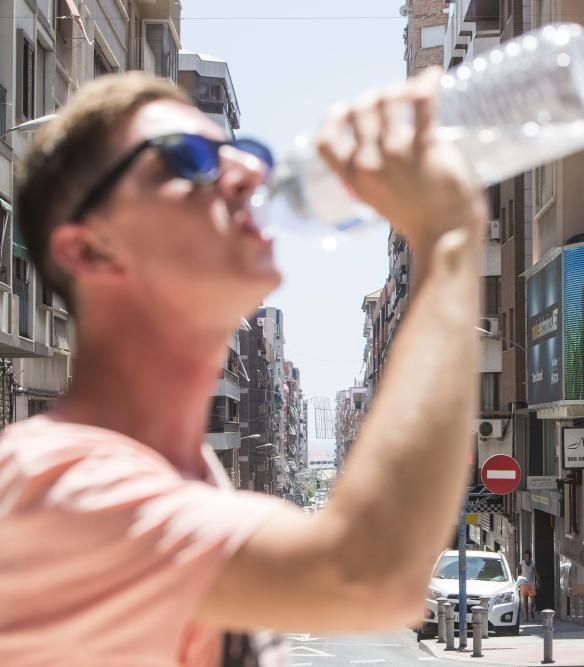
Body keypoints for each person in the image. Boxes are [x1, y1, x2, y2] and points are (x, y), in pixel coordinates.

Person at [0, 70, 486, 665]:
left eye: (245, 153)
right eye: (186, 158)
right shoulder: (55, 484)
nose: (249, 173)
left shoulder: (192, 479)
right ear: (90, 248)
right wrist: (449, 241)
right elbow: (369, 575)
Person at [517, 550, 539, 621]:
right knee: (525, 602)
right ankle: (527, 617)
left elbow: (536, 573)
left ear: (530, 556)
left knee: (533, 602)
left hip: (531, 584)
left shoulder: (533, 563)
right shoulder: (522, 563)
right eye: (525, 556)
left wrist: (538, 580)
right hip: (524, 585)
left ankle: (531, 610)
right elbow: (519, 574)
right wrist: (518, 583)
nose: (526, 557)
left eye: (527, 556)